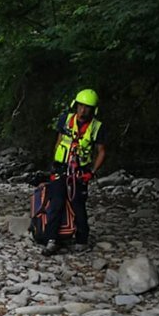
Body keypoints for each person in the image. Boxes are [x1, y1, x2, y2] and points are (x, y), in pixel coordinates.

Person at [42, 88, 105, 256]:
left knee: (78, 205)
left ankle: (82, 240)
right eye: (80, 106)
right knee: (56, 203)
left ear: (93, 110)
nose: (83, 110)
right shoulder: (65, 119)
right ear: (75, 105)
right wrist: (54, 165)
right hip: (61, 168)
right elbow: (59, 141)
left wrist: (92, 172)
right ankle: (51, 239)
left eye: (87, 107)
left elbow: (101, 152)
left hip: (80, 172)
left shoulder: (97, 127)